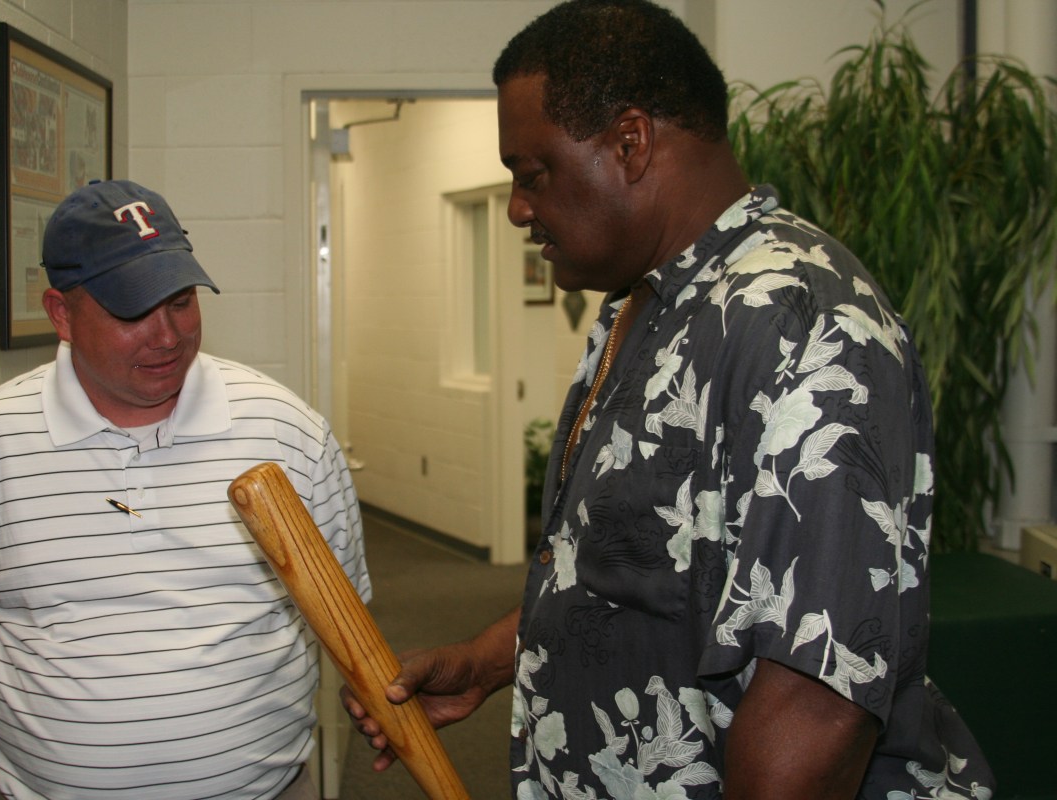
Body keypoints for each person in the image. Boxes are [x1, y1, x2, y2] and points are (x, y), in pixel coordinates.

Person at [344, 2, 995, 798]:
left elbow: (818, 702)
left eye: (533, 172)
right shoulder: (642, 307)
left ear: (631, 142)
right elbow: (639, 571)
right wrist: (485, 662)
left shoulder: (803, 323)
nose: (518, 206)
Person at [0, 179, 370, 800]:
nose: (168, 335)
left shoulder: (288, 433)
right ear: (62, 314)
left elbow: (342, 613)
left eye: (180, 301)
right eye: (131, 311)